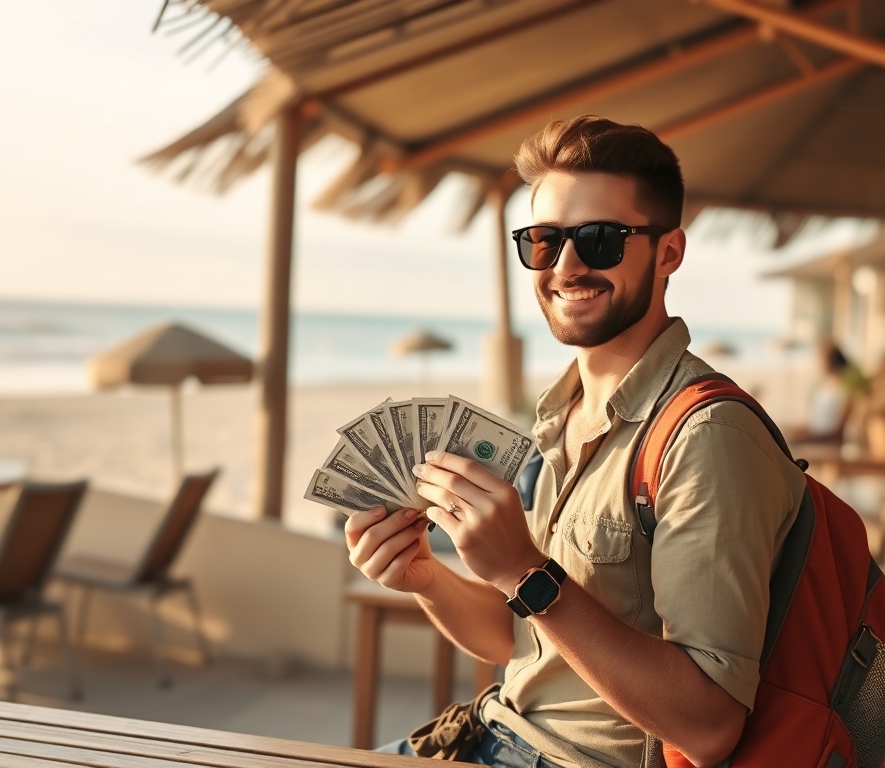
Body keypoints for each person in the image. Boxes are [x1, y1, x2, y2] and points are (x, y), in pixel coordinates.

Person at [344, 116, 808, 768]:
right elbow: (527, 641)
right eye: (543, 240)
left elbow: (707, 726)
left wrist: (522, 570)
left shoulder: (707, 437)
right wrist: (424, 574)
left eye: (599, 239)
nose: (566, 265)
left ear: (669, 253)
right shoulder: (563, 415)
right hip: (493, 735)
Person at [786, 338, 870, 447]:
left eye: (821, 358)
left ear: (831, 360)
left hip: (829, 443)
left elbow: (838, 432)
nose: (817, 362)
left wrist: (804, 439)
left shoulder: (846, 388)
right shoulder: (825, 385)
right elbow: (816, 422)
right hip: (817, 435)